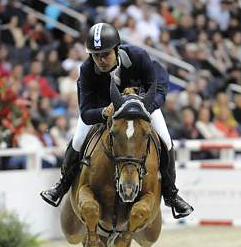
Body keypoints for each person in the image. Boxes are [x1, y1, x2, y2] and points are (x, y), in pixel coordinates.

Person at [40, 22, 194, 219]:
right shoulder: (87, 70)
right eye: (96, 55)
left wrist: (146, 106)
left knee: (165, 140)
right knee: (78, 140)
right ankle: (61, 186)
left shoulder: (138, 56)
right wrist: (104, 112)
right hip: (104, 108)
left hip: (142, 106)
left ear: (117, 49)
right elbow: (86, 112)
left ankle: (171, 194)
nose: (101, 60)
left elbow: (159, 85)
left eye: (106, 54)